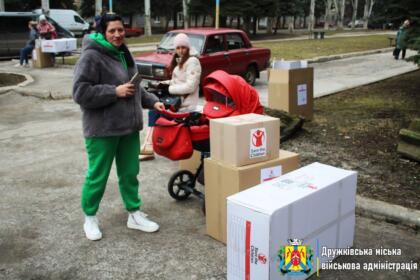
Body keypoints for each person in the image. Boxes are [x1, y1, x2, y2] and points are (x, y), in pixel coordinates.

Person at [72, 13, 165, 241]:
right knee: (98, 176)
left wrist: (153, 101)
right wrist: (114, 92)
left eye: (120, 30)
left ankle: (134, 214)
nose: (117, 34)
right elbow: (80, 92)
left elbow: (133, 87)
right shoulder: (91, 56)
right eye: (112, 30)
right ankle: (90, 217)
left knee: (129, 173)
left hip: (128, 128)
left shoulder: (124, 53)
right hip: (102, 130)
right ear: (102, 32)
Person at [139, 33, 202, 160]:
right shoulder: (179, 62)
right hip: (178, 101)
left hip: (187, 104)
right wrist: (161, 84)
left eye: (183, 47)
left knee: (157, 111)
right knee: (155, 108)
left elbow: (191, 86)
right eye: (178, 48)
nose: (180, 51)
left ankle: (150, 146)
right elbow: (176, 82)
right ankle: (149, 145)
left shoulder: (193, 61)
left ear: (188, 47)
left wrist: (169, 89)